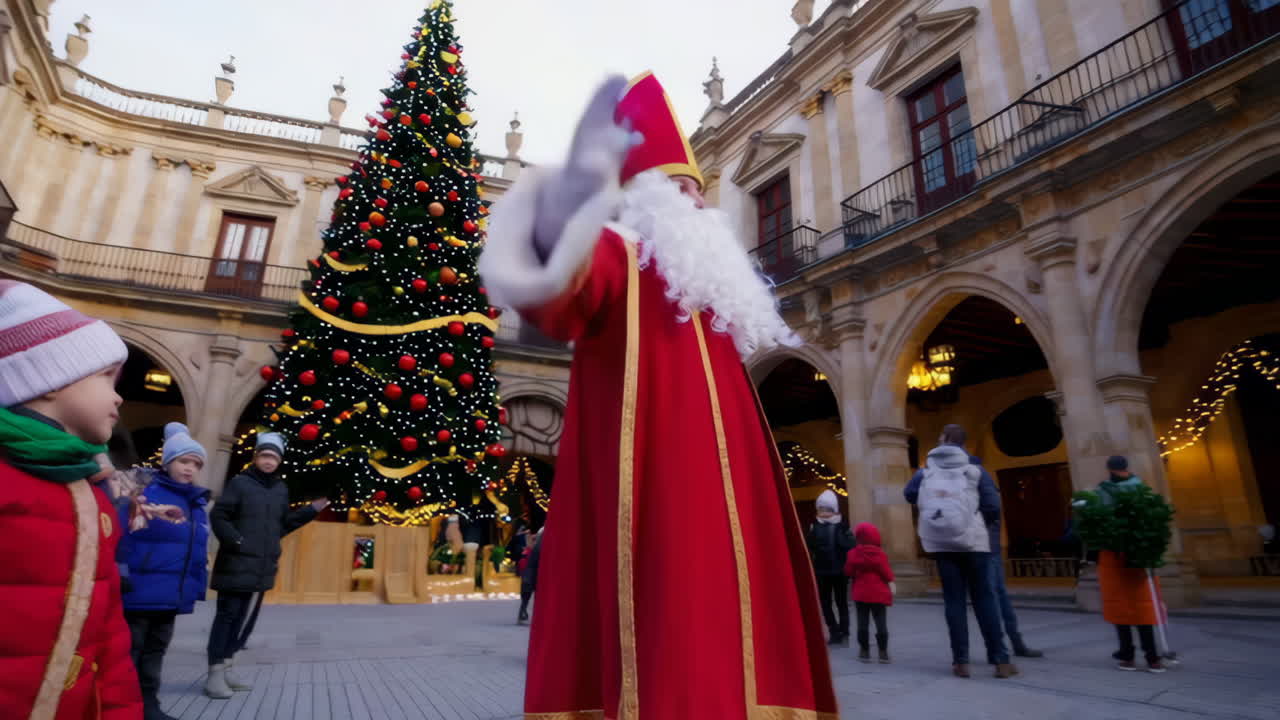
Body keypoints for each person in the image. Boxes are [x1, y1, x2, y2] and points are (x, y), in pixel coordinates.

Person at [480, 72, 838, 718]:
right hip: (655, 489)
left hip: (731, 502)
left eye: (699, 191)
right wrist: (567, 207)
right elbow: (561, 296)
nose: (696, 204)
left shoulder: (710, 290)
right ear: (644, 199)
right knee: (666, 624)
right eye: (680, 189)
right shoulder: (620, 253)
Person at [0, 279, 143, 718]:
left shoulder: (90, 497)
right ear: (48, 380)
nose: (119, 394)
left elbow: (109, 639)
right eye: (105, 376)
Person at [205, 432, 327, 698]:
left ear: (280, 460)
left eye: (274, 457)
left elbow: (281, 526)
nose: (269, 461)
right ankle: (214, 674)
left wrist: (309, 511)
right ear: (256, 457)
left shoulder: (279, 489)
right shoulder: (240, 483)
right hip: (236, 563)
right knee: (226, 617)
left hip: (259, 565)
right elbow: (220, 515)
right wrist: (236, 541)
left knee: (241, 619)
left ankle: (227, 667)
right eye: (265, 456)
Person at [110, 423, 211, 720]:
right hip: (139, 592)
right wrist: (122, 573)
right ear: (168, 462)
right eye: (184, 461)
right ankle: (123, 708)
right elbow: (122, 535)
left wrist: (195, 587)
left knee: (155, 654)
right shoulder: (145, 491)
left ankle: (149, 705)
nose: (190, 469)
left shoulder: (195, 501)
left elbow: (195, 550)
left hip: (170, 595)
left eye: (196, 464)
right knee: (131, 653)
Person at [904, 424, 1017, 679]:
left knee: (954, 602)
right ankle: (1000, 661)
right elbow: (992, 505)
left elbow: (909, 494)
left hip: (941, 544)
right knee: (984, 599)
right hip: (975, 543)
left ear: (942, 441)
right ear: (963, 443)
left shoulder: (925, 472)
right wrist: (976, 524)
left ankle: (961, 662)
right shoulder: (974, 470)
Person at [1096, 455, 1166, 673]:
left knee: (1122, 606)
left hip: (1115, 553)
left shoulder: (1103, 491)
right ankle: (1152, 656)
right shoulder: (1141, 489)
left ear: (1110, 469)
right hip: (1138, 553)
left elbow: (1098, 519)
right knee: (1142, 604)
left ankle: (1127, 655)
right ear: (1126, 467)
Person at [971, 456, 1043, 660]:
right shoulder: (983, 478)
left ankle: (999, 647)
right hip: (989, 547)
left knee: (991, 597)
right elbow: (994, 508)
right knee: (997, 596)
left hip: (982, 547)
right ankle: (1013, 643)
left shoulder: (972, 477)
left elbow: (991, 509)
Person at [806, 489, 855, 645]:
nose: (823, 512)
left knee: (828, 603)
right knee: (839, 603)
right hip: (837, 571)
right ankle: (842, 631)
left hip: (825, 571)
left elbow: (809, 546)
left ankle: (836, 631)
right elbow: (850, 547)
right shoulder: (842, 526)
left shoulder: (815, 527)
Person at [844, 522, 894, 664]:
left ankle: (864, 651)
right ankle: (883, 652)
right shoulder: (880, 554)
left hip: (861, 593)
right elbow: (886, 573)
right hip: (879, 593)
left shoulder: (852, 554)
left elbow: (848, 571)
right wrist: (891, 581)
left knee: (862, 622)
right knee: (881, 622)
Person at [518, 527, 544, 624]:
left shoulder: (542, 533)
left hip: (535, 570)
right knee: (527, 591)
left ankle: (525, 612)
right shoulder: (541, 534)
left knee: (530, 592)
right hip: (532, 569)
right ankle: (523, 611)